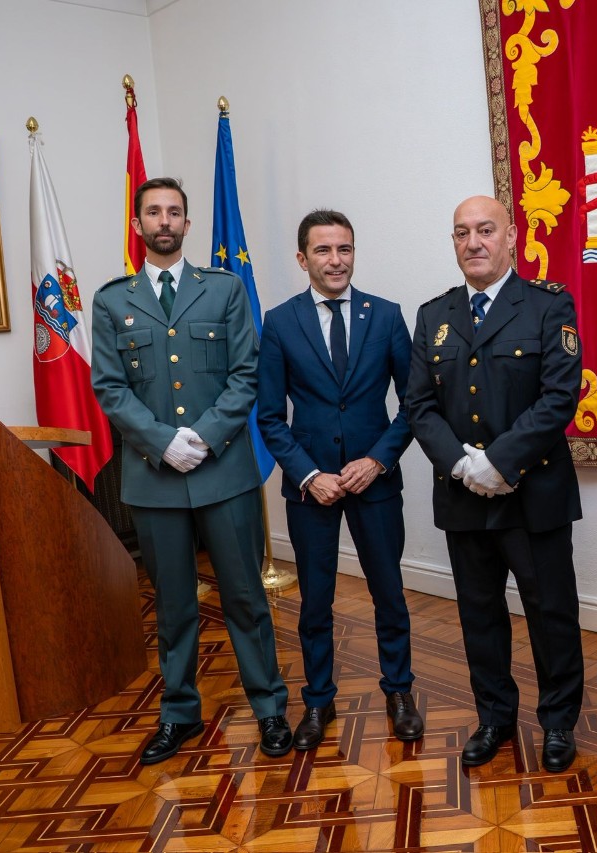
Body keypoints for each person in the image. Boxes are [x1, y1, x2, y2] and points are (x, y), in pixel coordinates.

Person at [91, 177, 291, 764]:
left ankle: (270, 708)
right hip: (153, 479)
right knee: (173, 606)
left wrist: (200, 438)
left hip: (223, 471)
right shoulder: (112, 300)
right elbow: (109, 386)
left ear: (187, 223)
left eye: (174, 212)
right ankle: (179, 714)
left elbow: (245, 375)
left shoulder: (223, 290)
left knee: (246, 597)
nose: (164, 221)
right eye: (153, 212)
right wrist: (162, 442)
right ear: (138, 225)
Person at [405, 195, 584, 772]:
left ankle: (558, 722)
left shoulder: (547, 307)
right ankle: (494, 718)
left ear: (512, 236)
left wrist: (499, 463)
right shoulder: (434, 315)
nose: (473, 243)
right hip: (463, 497)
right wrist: (462, 465)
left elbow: (559, 396)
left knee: (550, 614)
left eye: (486, 230)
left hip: (533, 495)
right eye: (462, 233)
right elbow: (419, 404)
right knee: (478, 615)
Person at [256, 209, 422, 751]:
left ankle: (399, 693)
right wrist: (307, 475)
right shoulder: (280, 323)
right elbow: (269, 417)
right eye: (324, 251)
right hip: (312, 491)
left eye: (344, 249)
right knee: (315, 603)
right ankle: (319, 701)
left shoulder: (388, 316)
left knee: (389, 595)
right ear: (303, 259)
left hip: (374, 483)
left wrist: (376, 461)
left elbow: (414, 404)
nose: (336, 260)